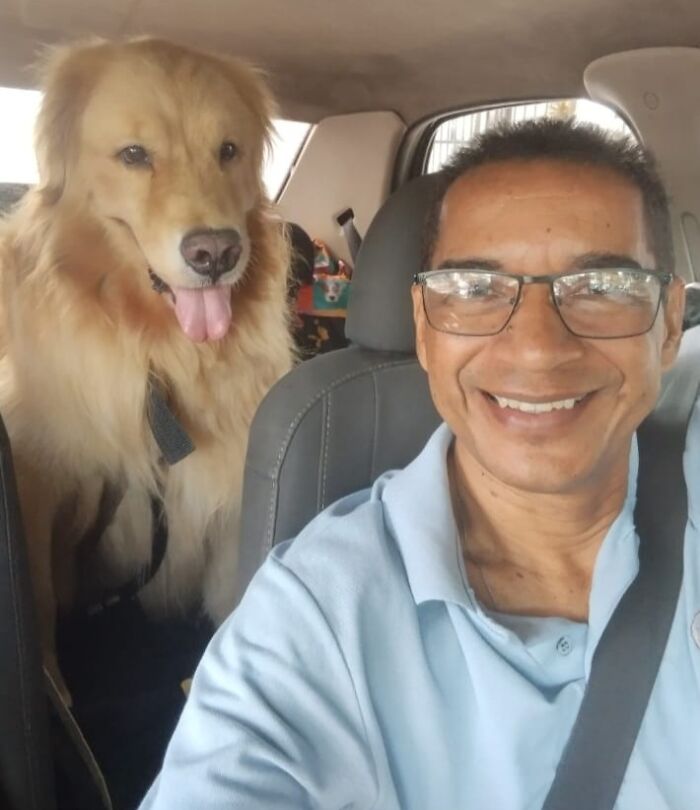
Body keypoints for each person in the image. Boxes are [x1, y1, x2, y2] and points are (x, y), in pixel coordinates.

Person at [139, 120, 699, 810]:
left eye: (602, 284)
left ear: (670, 322)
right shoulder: (316, 614)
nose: (536, 350)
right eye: (474, 288)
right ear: (424, 326)